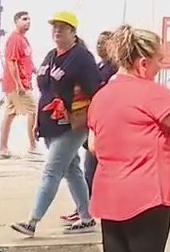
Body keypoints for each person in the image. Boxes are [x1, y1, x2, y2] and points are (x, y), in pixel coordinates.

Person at [87, 25, 170, 252]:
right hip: (147, 197)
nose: (160, 67)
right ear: (143, 64)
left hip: (110, 195)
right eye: (158, 61)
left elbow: (94, 146)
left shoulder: (101, 96)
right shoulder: (152, 92)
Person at [11, 11, 100, 236]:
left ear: (73, 31)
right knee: (71, 169)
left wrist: (89, 117)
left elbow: (96, 90)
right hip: (50, 124)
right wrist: (38, 122)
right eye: (54, 27)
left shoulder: (81, 57)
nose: (57, 31)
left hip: (72, 124)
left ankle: (32, 221)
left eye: (62, 27)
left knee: (52, 170)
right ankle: (86, 217)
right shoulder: (52, 55)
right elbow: (46, 89)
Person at [63, 30, 120, 225]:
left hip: (108, 126)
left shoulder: (114, 70)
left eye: (104, 43)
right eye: (98, 42)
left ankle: (89, 208)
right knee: (89, 168)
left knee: (95, 168)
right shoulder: (98, 66)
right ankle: (84, 207)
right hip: (95, 123)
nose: (99, 46)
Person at [0, 10, 40, 159]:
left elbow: (26, 59)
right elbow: (12, 62)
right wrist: (19, 84)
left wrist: (35, 70)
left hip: (21, 82)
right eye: (24, 19)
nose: (27, 22)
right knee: (33, 110)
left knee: (9, 115)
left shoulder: (24, 39)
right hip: (17, 85)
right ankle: (33, 145)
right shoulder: (15, 39)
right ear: (16, 22)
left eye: (29, 19)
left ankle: (3, 148)